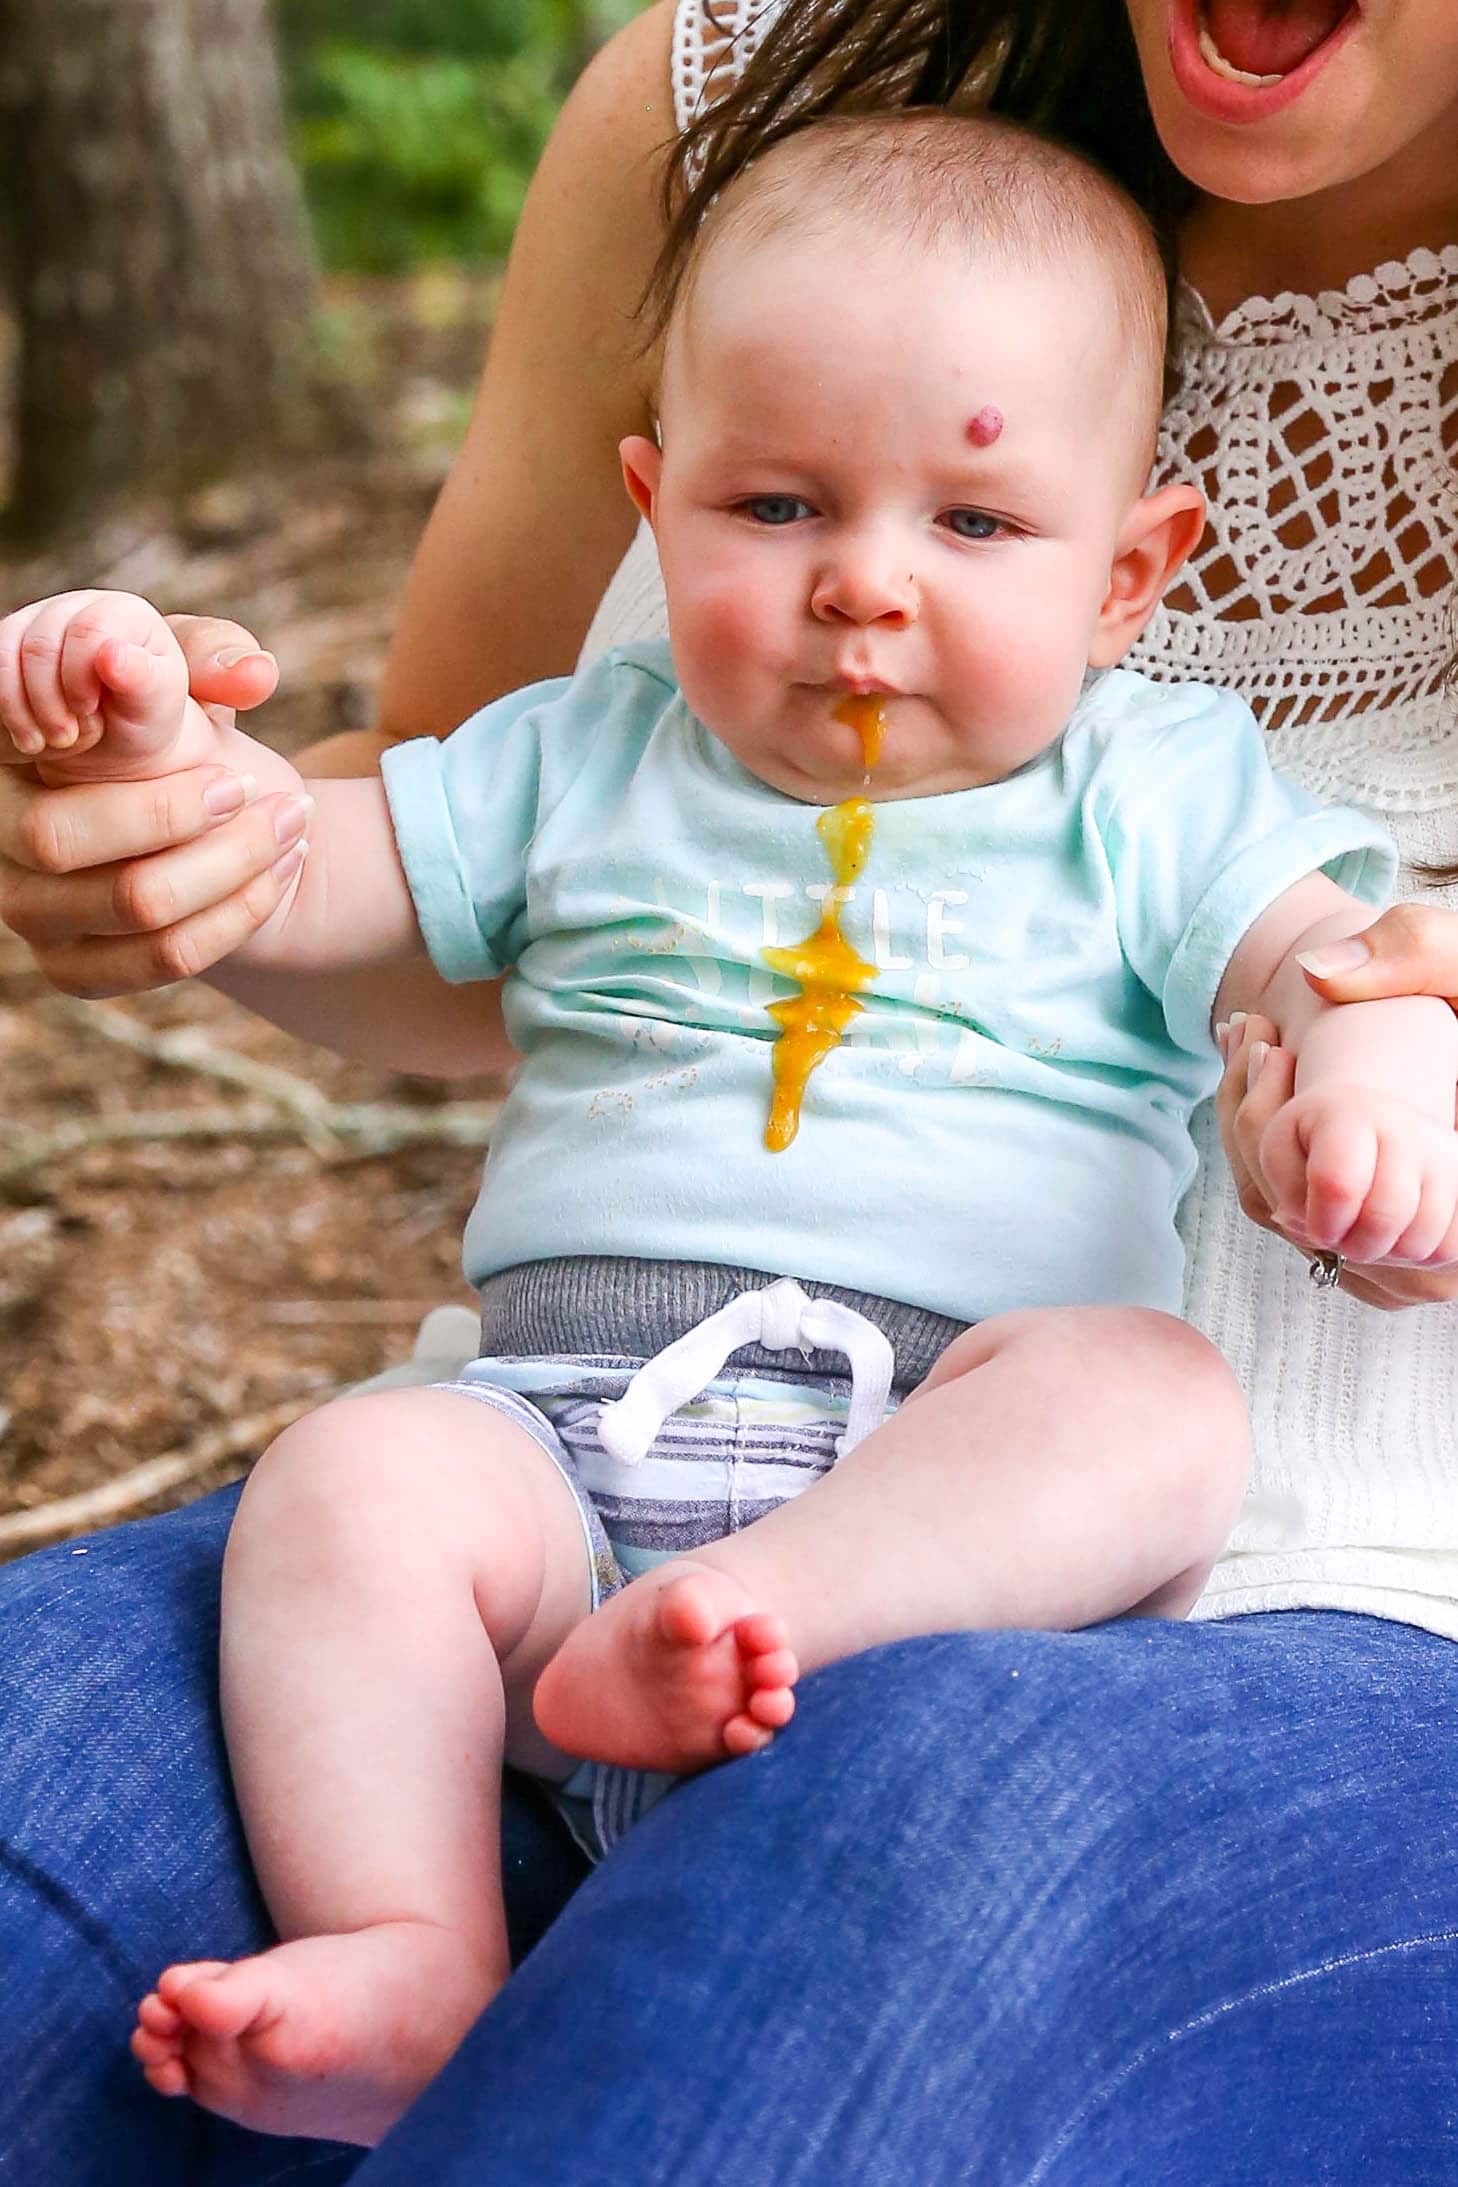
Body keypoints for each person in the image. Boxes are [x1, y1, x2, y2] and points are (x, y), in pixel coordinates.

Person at [4, 2, 1458, 2180]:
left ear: (1130, 573)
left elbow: (1324, 959)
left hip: (1080, 1557)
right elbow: (375, 860)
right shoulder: (610, 738)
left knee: (1140, 1404)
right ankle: (413, 1938)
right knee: (331, 1506)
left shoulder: (1150, 779)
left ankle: (791, 1606)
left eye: (975, 518)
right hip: (564, 1447)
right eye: (776, 505)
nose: (864, 584)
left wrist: (1374, 1073)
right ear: (659, 496)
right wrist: (181, 808)